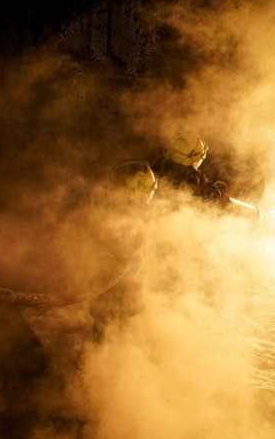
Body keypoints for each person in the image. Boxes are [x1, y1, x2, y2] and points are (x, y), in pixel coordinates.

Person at [20, 160, 157, 433]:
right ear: (136, 190)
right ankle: (91, 401)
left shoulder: (120, 209)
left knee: (110, 339)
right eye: (149, 190)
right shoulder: (120, 216)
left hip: (117, 295)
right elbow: (118, 251)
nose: (151, 196)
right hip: (114, 296)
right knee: (108, 340)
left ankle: (94, 390)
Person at [149, 130, 229, 203]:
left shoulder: (157, 169)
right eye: (202, 158)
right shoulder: (190, 179)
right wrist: (213, 194)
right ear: (194, 159)